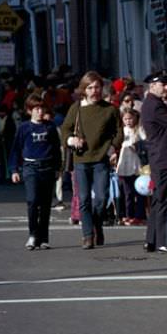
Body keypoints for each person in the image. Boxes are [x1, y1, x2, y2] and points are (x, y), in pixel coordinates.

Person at [61, 71, 123, 250]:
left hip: (101, 159)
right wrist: (71, 140)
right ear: (84, 89)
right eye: (90, 87)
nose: (94, 91)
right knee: (84, 198)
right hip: (81, 159)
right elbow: (65, 129)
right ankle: (88, 235)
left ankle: (97, 225)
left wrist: (112, 147)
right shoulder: (77, 108)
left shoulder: (109, 109)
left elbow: (119, 132)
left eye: (97, 87)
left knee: (102, 198)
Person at [9, 94, 62, 250]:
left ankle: (44, 237)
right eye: (36, 109)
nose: (40, 112)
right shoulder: (24, 128)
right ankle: (33, 235)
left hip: (47, 167)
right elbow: (16, 150)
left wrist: (58, 168)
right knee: (32, 201)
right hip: (30, 167)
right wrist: (14, 169)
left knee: (45, 204)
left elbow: (56, 150)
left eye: (42, 108)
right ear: (29, 110)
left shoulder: (50, 127)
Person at [140, 73, 167, 254]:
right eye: (163, 85)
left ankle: (151, 240)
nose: (166, 88)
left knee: (159, 199)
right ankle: (163, 241)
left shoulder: (151, 104)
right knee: (165, 199)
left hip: (158, 157)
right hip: (163, 157)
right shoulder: (155, 105)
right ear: (152, 86)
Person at [116, 108, 146, 226]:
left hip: (137, 165)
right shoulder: (122, 131)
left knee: (139, 192)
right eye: (125, 119)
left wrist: (137, 146)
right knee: (127, 192)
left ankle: (140, 216)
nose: (128, 121)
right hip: (124, 165)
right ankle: (128, 215)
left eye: (130, 118)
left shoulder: (139, 130)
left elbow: (145, 142)